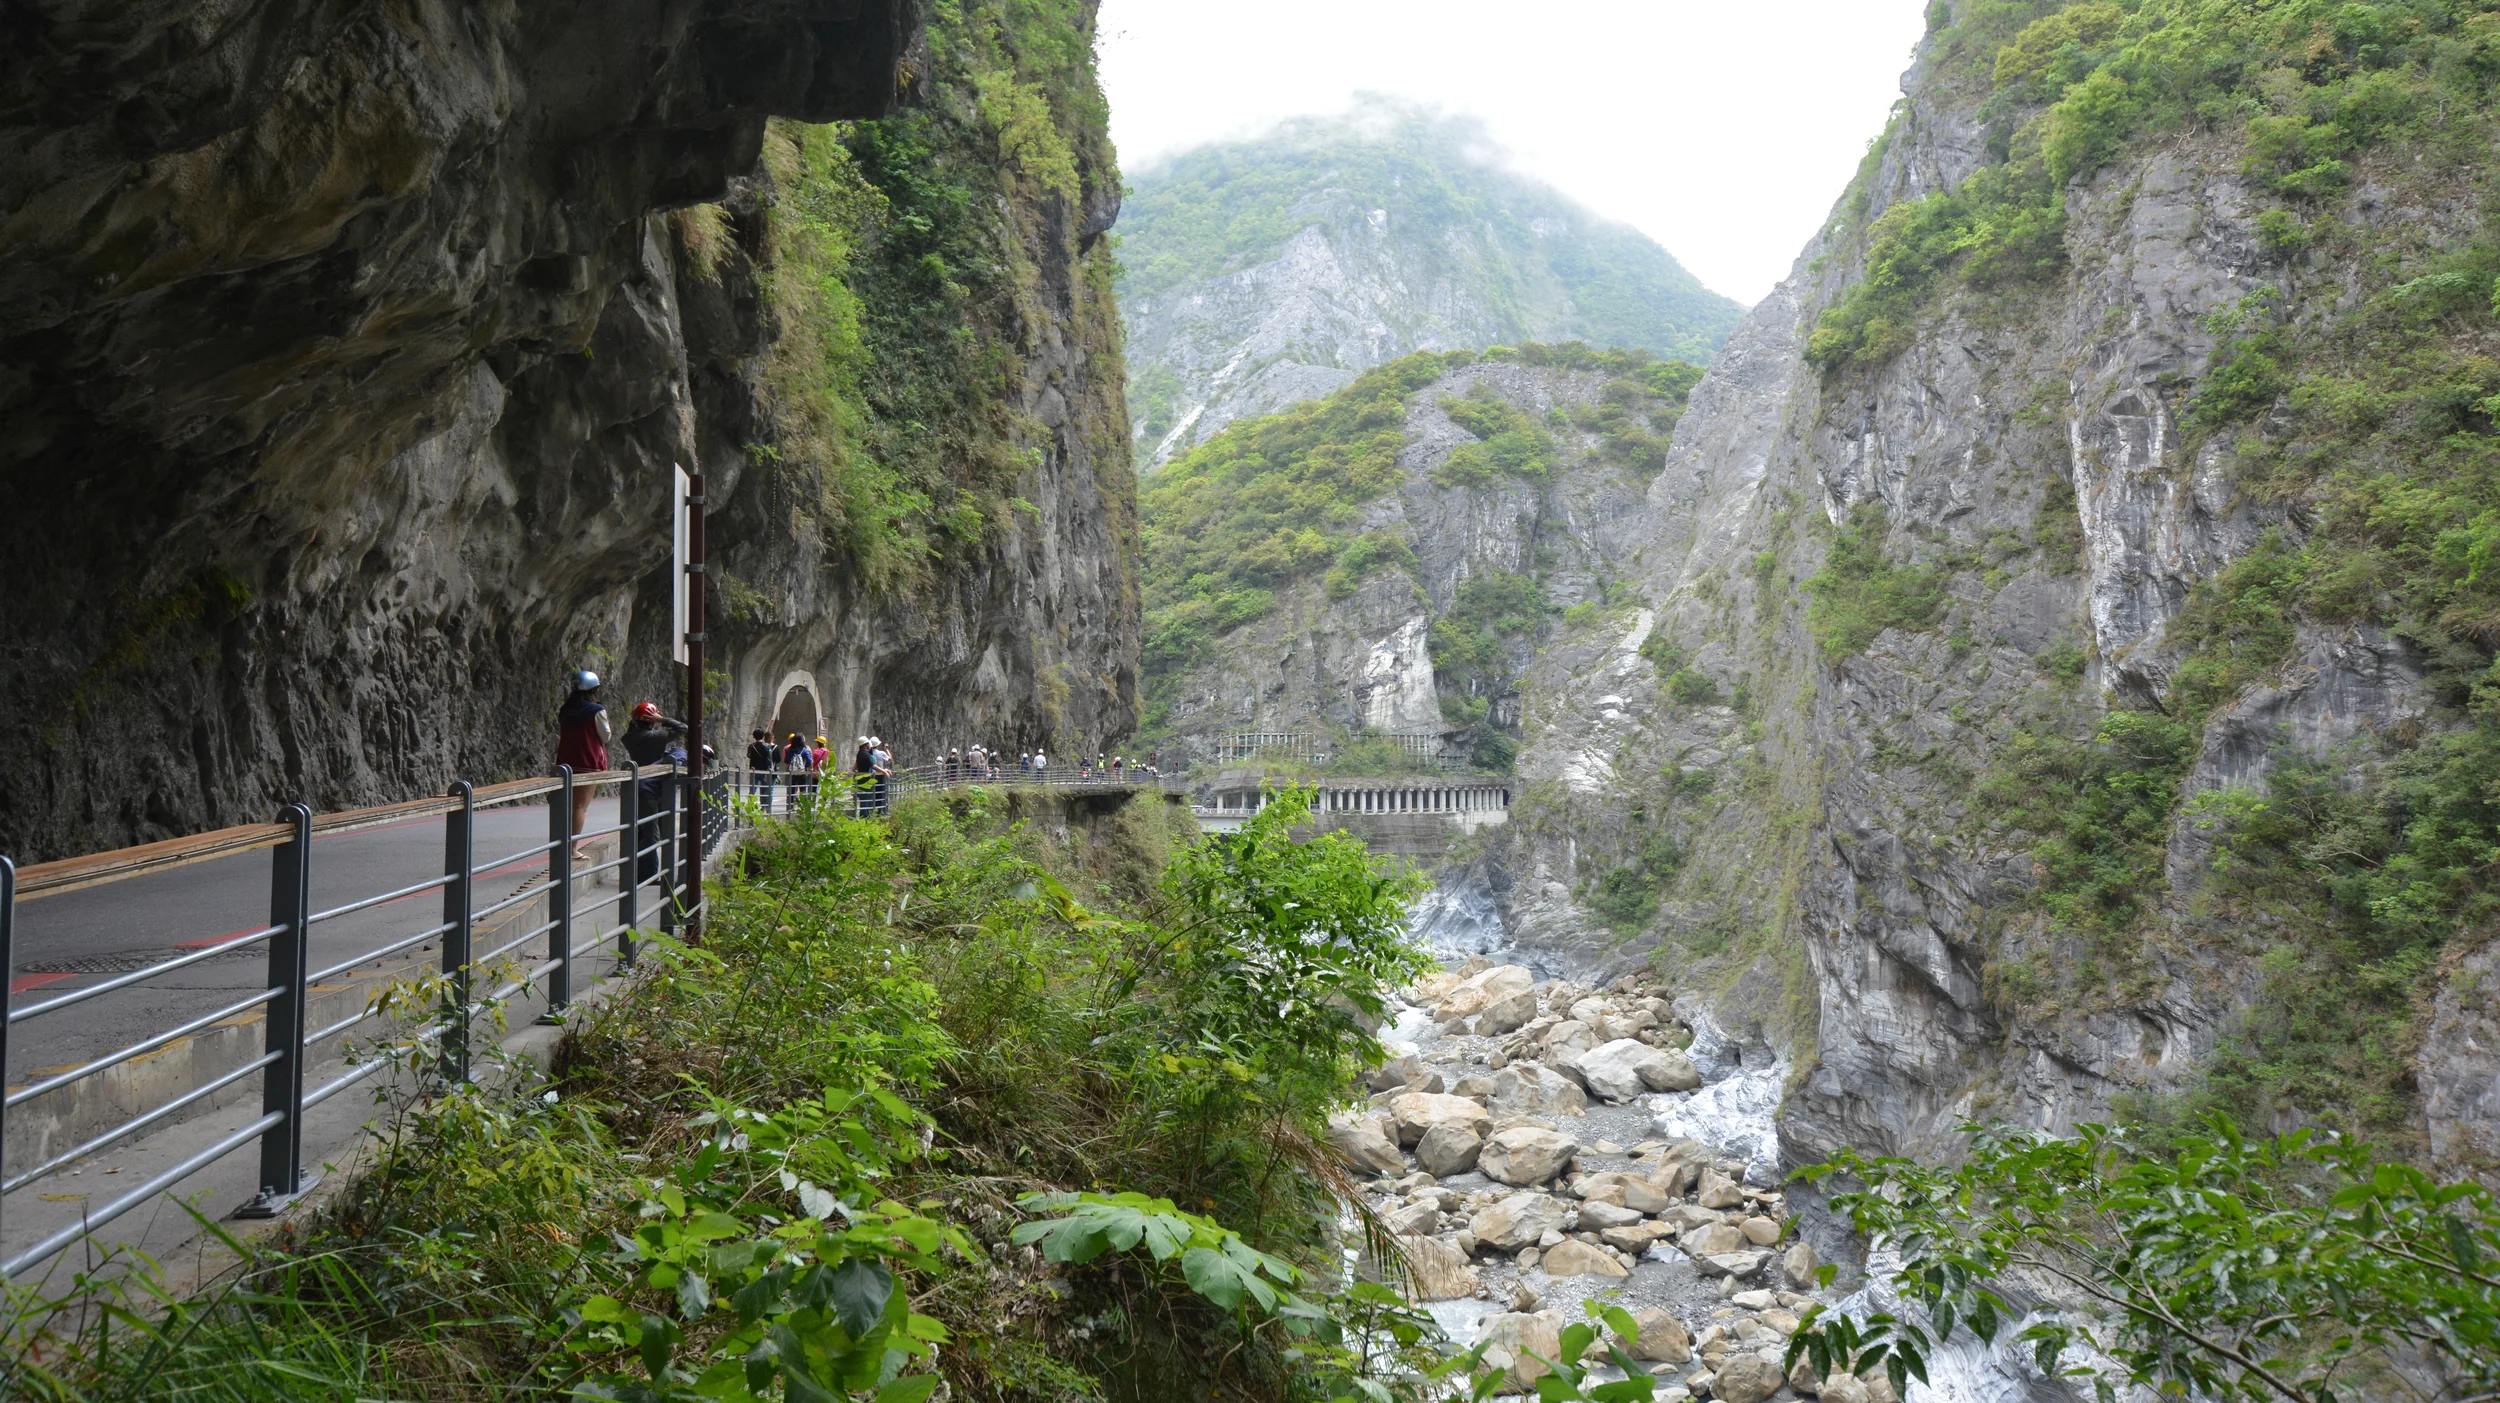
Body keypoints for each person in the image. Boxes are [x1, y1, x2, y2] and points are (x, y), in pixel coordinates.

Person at [622, 702, 688, 885]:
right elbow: (683, 727)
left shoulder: (629, 737)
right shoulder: (654, 737)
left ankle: (636, 871)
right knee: (652, 835)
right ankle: (648, 876)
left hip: (639, 787)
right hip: (651, 789)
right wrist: (663, 719)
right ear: (650, 719)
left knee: (642, 833)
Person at [556, 670, 611, 860]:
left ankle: (560, 846)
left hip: (565, 763)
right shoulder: (596, 711)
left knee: (565, 806)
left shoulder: (565, 709)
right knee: (580, 807)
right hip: (588, 762)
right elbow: (606, 736)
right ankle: (571, 849)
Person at [745, 729, 774, 806]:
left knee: (752, 789)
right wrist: (769, 768)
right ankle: (763, 807)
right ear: (763, 736)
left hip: (754, 769)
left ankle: (750, 806)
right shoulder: (767, 746)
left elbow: (749, 755)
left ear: (754, 736)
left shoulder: (751, 746)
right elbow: (769, 759)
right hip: (764, 770)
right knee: (764, 789)